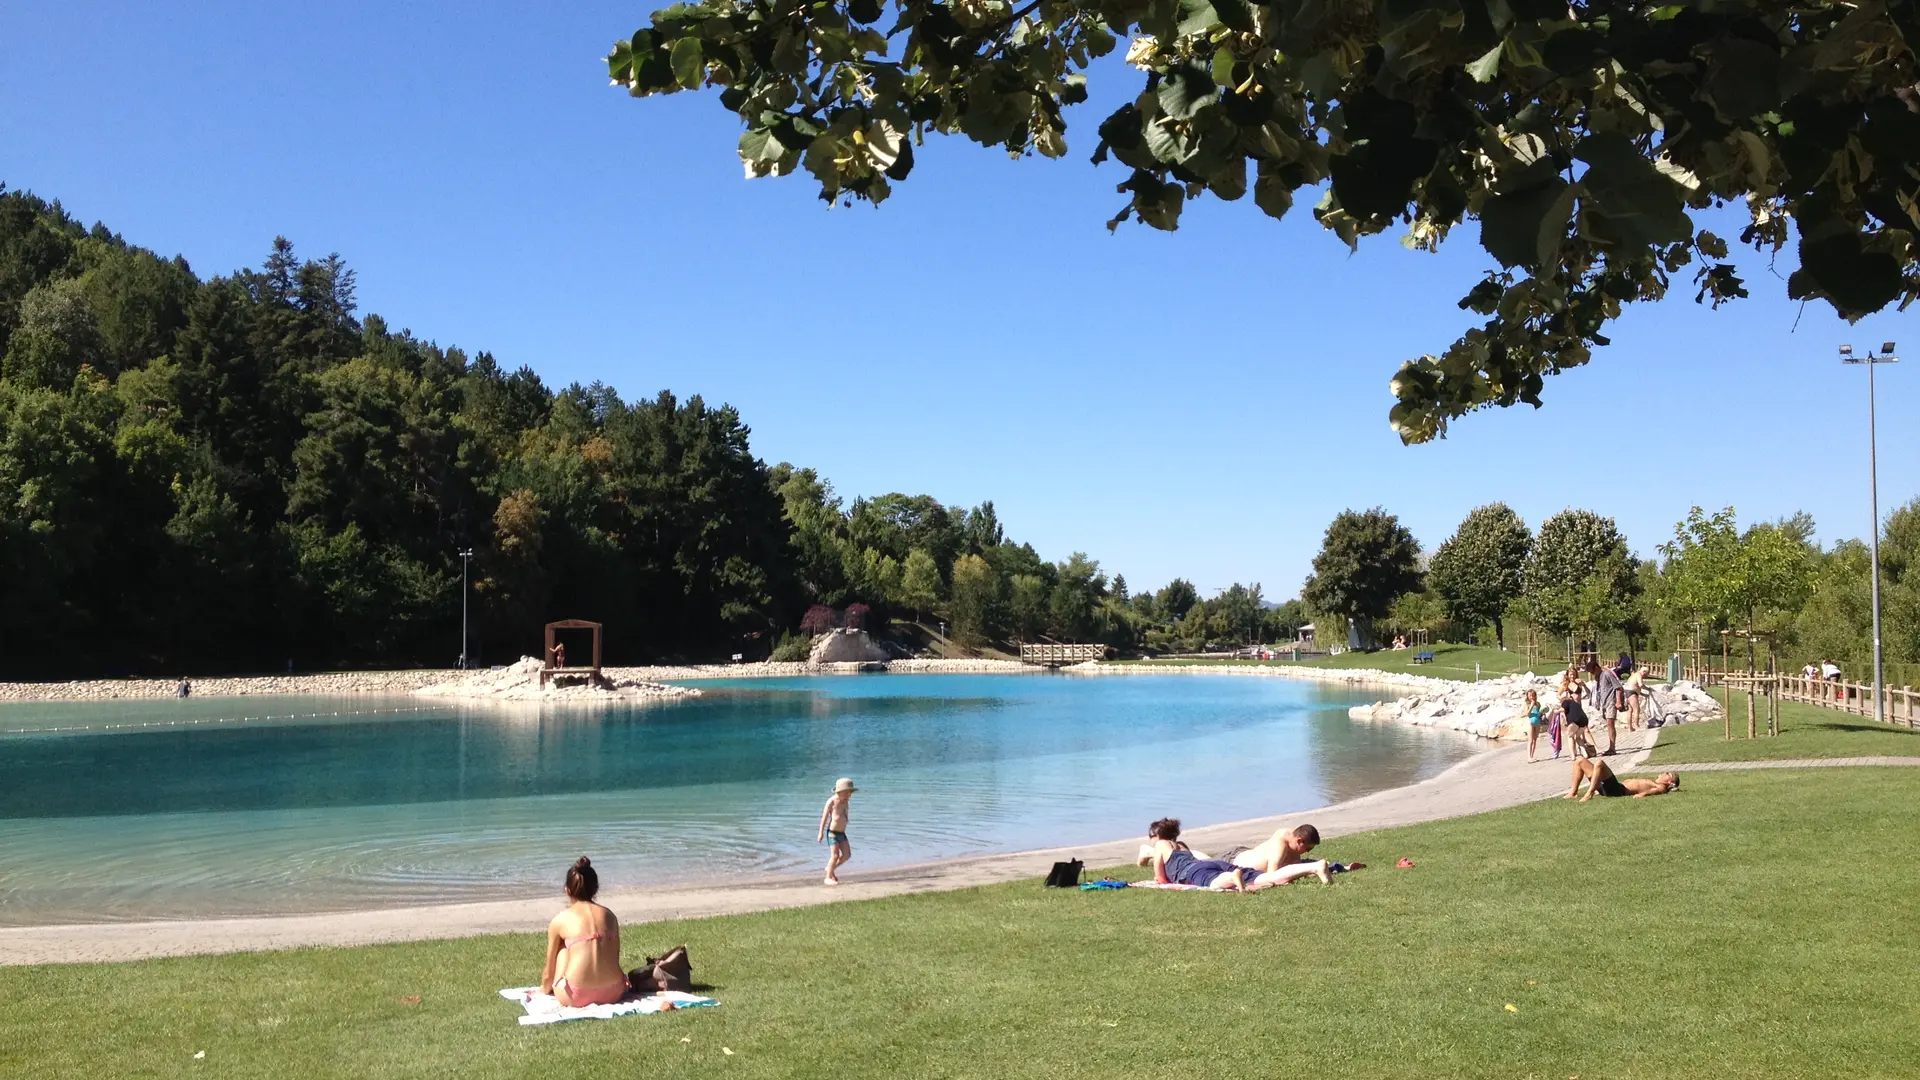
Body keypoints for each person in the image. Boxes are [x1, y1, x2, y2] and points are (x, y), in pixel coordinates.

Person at [1144, 819, 1331, 889]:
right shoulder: (1183, 846)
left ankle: (1232, 878)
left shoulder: (1160, 845)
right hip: (1221, 863)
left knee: (1213, 882)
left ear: (1158, 836)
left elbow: (1161, 879)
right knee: (1264, 878)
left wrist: (1161, 877)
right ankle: (1314, 867)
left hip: (1194, 871)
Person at [540, 856, 626, 1007]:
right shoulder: (610, 916)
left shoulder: (560, 920)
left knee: (563, 950)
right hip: (614, 992)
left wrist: (544, 989)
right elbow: (614, 957)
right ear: (596, 888)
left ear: (567, 890)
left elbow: (549, 973)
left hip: (575, 995)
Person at [1564, 760, 1680, 802]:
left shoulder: (1661, 787)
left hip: (1617, 790)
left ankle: (1589, 794)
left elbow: (1659, 790)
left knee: (1600, 763)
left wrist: (1643, 794)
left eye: (1667, 774)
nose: (1663, 773)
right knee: (1579, 761)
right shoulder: (1655, 783)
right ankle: (1573, 792)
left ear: (1669, 782)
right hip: (1612, 787)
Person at [818, 777, 856, 885]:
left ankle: (830, 868)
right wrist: (820, 832)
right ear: (840, 792)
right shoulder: (831, 801)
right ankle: (828, 877)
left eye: (850, 794)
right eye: (847, 793)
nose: (849, 796)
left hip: (842, 833)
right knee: (834, 855)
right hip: (832, 833)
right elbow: (824, 818)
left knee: (847, 855)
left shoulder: (845, 802)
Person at [1588, 658, 1624, 756]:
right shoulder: (1598, 678)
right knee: (1609, 725)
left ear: (1596, 667)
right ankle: (1611, 747)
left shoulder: (1607, 674)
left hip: (1611, 702)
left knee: (1610, 723)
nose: (1592, 673)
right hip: (1604, 704)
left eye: (1592, 671)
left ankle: (1612, 748)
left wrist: (1618, 701)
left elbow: (1618, 688)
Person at [1558, 665, 1594, 759]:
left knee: (1582, 731)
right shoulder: (1565, 685)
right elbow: (1558, 694)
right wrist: (1564, 699)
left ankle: (1585, 750)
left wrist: (1584, 685)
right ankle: (1574, 752)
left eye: (1573, 674)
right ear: (1567, 675)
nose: (1572, 676)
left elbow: (1588, 692)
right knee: (1572, 733)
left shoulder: (1579, 683)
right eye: (1570, 675)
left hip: (1579, 708)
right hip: (1570, 710)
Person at [1522, 689, 1546, 762]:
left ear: (1535, 696)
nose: (1531, 697)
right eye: (1530, 696)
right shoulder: (1527, 704)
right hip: (1531, 723)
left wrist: (1543, 715)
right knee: (1530, 740)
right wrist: (1531, 706)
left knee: (1535, 740)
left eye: (1533, 695)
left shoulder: (1538, 704)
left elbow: (1540, 712)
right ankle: (1529, 757)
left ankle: (1532, 756)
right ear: (1527, 696)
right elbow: (1527, 714)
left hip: (1537, 722)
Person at [1622, 665, 1646, 732]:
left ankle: (1630, 728)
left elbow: (1635, 687)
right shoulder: (1639, 675)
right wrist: (1648, 689)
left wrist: (1643, 694)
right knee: (1636, 710)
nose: (1645, 676)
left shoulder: (1633, 675)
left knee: (1630, 710)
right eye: (1646, 674)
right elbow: (1640, 685)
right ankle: (1636, 725)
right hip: (1632, 693)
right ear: (1643, 672)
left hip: (1627, 692)